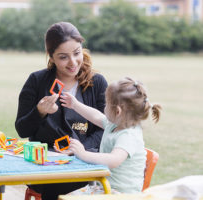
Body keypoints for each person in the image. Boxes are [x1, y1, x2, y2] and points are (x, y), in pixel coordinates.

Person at [15, 21, 108, 200]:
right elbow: (22, 129)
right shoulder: (37, 80)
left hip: (85, 161)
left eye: (77, 53)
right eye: (63, 57)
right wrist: (39, 112)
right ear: (51, 57)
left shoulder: (97, 83)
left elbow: (107, 127)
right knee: (56, 182)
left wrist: (80, 150)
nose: (73, 62)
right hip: (45, 165)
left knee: (71, 182)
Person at [59, 77, 162, 193]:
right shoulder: (114, 124)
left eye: (106, 103)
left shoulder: (129, 135)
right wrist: (75, 104)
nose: (104, 107)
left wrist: (83, 153)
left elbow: (113, 160)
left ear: (117, 111)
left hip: (120, 193)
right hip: (103, 187)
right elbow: (96, 116)